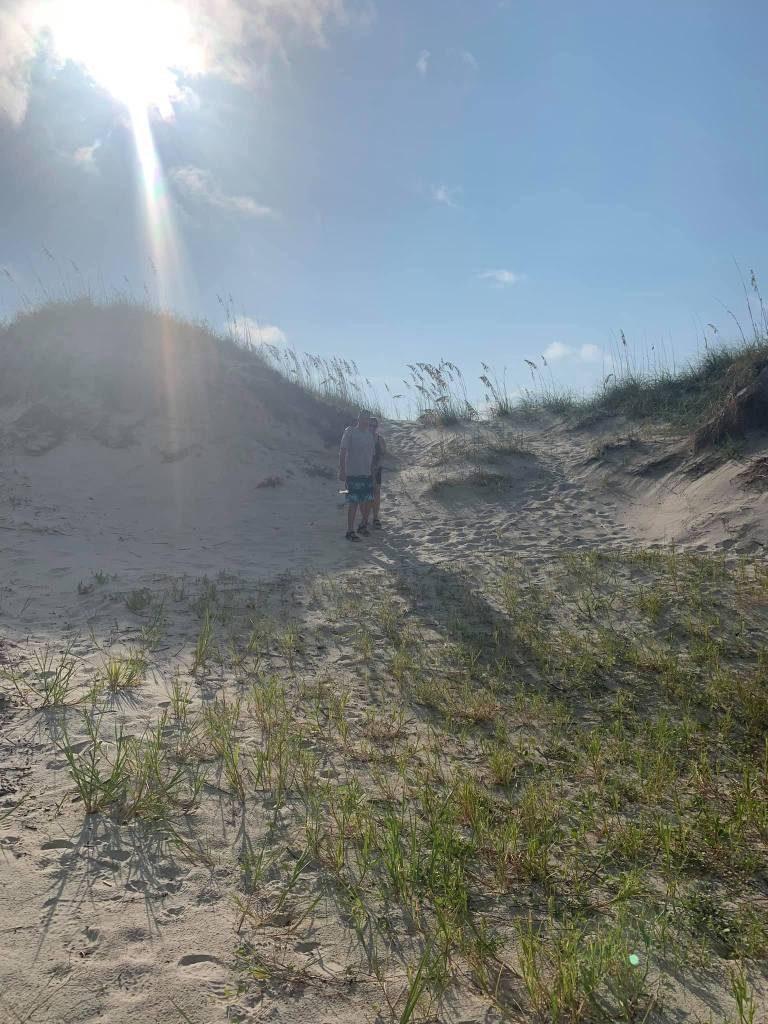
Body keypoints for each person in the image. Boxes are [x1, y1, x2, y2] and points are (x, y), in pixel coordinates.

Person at [339, 410, 375, 541]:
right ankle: (350, 531)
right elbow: (343, 451)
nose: (365, 421)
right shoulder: (350, 431)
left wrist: (371, 472)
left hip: (366, 473)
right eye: (363, 418)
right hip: (353, 473)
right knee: (353, 502)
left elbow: (371, 455)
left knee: (366, 501)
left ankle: (362, 525)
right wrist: (342, 470)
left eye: (367, 419)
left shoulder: (369, 436)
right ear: (358, 419)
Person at [369, 416, 386, 529]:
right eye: (370, 425)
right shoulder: (363, 438)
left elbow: (383, 454)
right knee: (366, 494)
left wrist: (378, 465)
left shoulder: (380, 439)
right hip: (364, 469)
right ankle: (365, 518)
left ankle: (375, 518)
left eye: (375, 426)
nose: (372, 428)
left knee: (376, 493)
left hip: (377, 469)